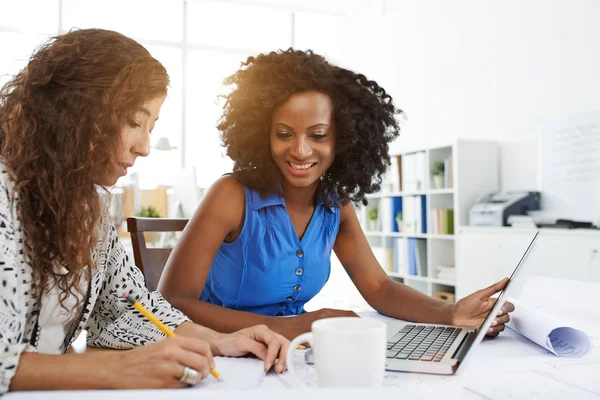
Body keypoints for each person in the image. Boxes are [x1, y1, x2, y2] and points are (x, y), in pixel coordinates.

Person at [0, 29, 288, 394]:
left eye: (151, 128)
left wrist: (217, 340)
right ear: (77, 110)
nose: (145, 148)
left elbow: (128, 307)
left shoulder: (89, 208)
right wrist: (115, 369)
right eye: (134, 122)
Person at [158, 49, 515, 340]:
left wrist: (449, 313)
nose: (299, 150)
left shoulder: (334, 204)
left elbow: (378, 286)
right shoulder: (231, 195)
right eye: (284, 134)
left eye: (317, 134)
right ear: (261, 135)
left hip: (291, 353)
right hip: (219, 353)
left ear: (342, 139)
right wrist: (291, 326)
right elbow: (174, 300)